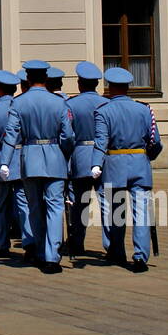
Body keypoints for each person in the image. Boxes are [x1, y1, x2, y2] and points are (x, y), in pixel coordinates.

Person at [0, 60, 76, 273]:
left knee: (34, 207)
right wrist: (64, 154)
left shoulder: (19, 102)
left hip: (30, 157)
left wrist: (5, 162)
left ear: (28, 79)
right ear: (46, 78)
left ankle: (40, 252)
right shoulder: (59, 102)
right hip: (54, 157)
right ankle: (53, 256)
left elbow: (11, 135)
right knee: (55, 207)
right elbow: (68, 136)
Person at [92, 66, 163, 272]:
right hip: (140, 164)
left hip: (114, 164)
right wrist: (146, 157)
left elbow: (101, 142)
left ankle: (117, 252)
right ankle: (140, 257)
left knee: (117, 212)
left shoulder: (104, 111)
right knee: (141, 213)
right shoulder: (143, 109)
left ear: (110, 87)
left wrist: (96, 164)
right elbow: (155, 141)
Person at [0, 71, 28, 257]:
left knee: (0, 204)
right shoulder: (23, 106)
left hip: (0, 157)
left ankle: (1, 243)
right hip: (21, 157)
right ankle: (29, 242)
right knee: (24, 203)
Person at [65, 62, 108, 257]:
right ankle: (111, 244)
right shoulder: (106, 104)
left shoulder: (71, 104)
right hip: (104, 156)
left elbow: (67, 134)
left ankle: (77, 241)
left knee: (79, 203)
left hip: (80, 155)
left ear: (80, 83)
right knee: (107, 203)